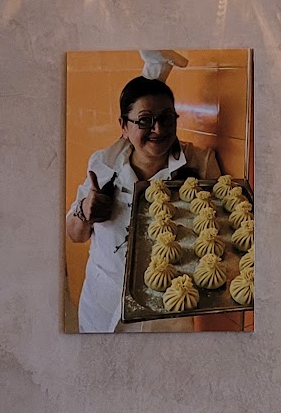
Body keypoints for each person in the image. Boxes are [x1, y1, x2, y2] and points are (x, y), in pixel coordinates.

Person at [66, 71, 219, 333]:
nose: (158, 129)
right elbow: (75, 235)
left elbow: (217, 234)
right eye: (145, 120)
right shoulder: (103, 164)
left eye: (167, 118)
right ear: (124, 126)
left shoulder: (200, 163)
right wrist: (84, 212)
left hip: (165, 313)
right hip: (103, 304)